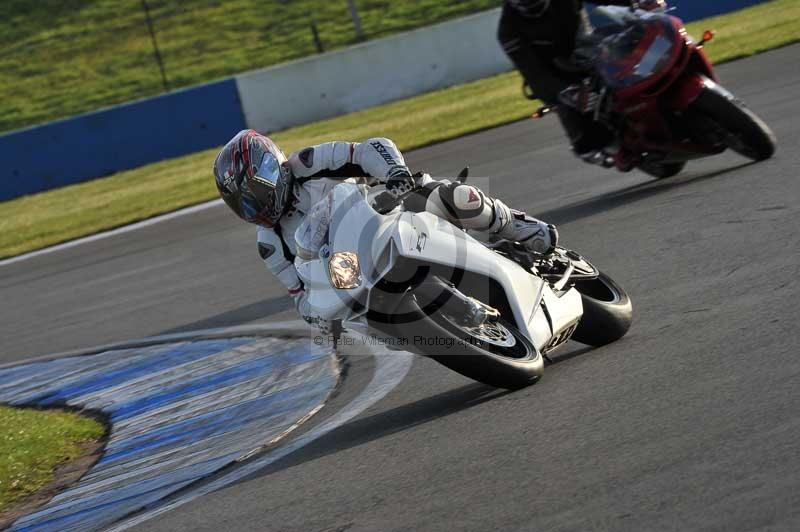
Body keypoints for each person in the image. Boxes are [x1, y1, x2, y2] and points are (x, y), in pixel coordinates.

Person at [213, 129, 558, 330]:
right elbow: (299, 296)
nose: (253, 207)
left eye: (254, 195)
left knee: (451, 195)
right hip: (355, 269)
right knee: (359, 323)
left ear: (272, 168)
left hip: (388, 209)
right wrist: (318, 317)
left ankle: (517, 226)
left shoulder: (307, 163)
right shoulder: (270, 243)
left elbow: (368, 149)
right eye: (242, 204)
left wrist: (394, 172)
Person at [497, 0, 666, 160]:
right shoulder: (508, 30)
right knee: (579, 120)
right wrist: (565, 92)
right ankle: (611, 148)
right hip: (559, 72)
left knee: (641, 37)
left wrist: (636, 2)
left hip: (590, 45)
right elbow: (534, 73)